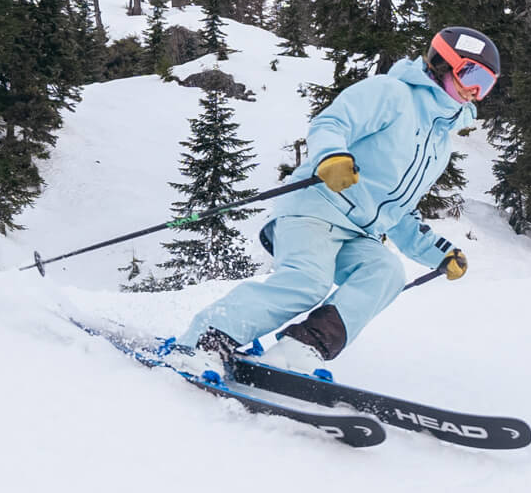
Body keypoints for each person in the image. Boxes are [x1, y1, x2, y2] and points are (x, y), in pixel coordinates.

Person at [163, 25, 498, 378]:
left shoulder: (439, 144)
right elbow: (333, 122)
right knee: (308, 282)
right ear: (442, 64)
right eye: (471, 74)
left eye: (486, 84)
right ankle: (203, 342)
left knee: (386, 272)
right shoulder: (391, 93)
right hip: (316, 209)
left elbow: (398, 211)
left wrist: (438, 253)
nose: (475, 91)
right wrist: (332, 156)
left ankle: (299, 348)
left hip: (359, 234)